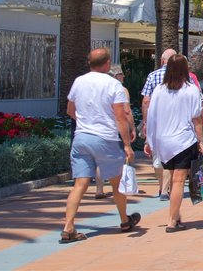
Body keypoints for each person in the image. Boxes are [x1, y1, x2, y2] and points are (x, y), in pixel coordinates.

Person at [61, 48, 139, 243]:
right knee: (116, 182)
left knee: (80, 183)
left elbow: (70, 109)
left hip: (81, 138)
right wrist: (127, 145)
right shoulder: (113, 84)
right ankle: (124, 220)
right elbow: (120, 117)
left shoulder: (79, 81)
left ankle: (68, 226)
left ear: (89, 63)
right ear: (107, 64)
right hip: (106, 139)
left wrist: (85, 121)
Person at [144, 54, 203, 232]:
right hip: (183, 141)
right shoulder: (191, 90)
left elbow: (151, 117)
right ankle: (172, 221)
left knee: (171, 179)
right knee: (178, 182)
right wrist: (200, 141)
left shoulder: (159, 90)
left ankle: (176, 217)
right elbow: (197, 119)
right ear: (186, 69)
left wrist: (149, 141)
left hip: (163, 142)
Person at [141, 48, 177, 200]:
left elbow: (145, 101)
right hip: (175, 123)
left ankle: (163, 186)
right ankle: (167, 189)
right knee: (171, 157)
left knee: (157, 158)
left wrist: (145, 122)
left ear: (162, 60)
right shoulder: (182, 77)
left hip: (157, 122)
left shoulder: (152, 76)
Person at [94, 65, 133, 200]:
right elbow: (126, 111)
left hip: (100, 127)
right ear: (116, 76)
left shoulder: (99, 89)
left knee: (100, 160)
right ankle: (118, 188)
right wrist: (131, 128)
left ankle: (99, 189)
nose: (124, 76)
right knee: (119, 158)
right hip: (116, 127)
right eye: (121, 74)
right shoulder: (121, 89)